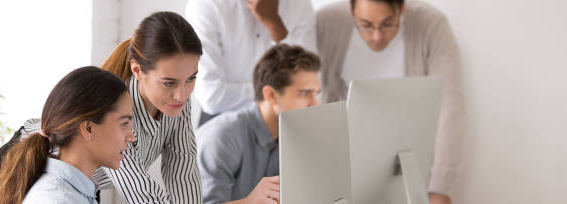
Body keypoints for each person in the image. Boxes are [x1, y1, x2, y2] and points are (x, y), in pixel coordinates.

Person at [0, 11, 204, 204]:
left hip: (80, 185)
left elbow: (183, 173)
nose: (182, 94)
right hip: (16, 170)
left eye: (191, 79)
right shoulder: (117, 113)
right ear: (137, 71)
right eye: (169, 82)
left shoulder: (175, 101)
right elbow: (144, 197)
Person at [316, 0, 466, 203]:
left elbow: (449, 106)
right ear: (351, 10)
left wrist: (440, 188)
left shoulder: (431, 24)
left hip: (405, 163)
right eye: (366, 24)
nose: (377, 37)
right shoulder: (326, 22)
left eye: (388, 24)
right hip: (343, 164)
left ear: (402, 8)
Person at [0, 66, 135, 204]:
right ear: (88, 128)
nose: (131, 137)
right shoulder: (62, 199)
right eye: (124, 123)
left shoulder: (72, 193)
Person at [196, 44, 321, 204]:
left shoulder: (293, 136)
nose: (315, 104)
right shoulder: (222, 137)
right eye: (305, 93)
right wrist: (249, 202)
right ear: (271, 95)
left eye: (316, 94)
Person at [185, 0, 317, 126]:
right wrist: (279, 95)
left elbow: (308, 82)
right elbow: (211, 95)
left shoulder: (299, 4)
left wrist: (275, 25)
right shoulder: (206, 5)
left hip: (283, 124)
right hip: (223, 125)